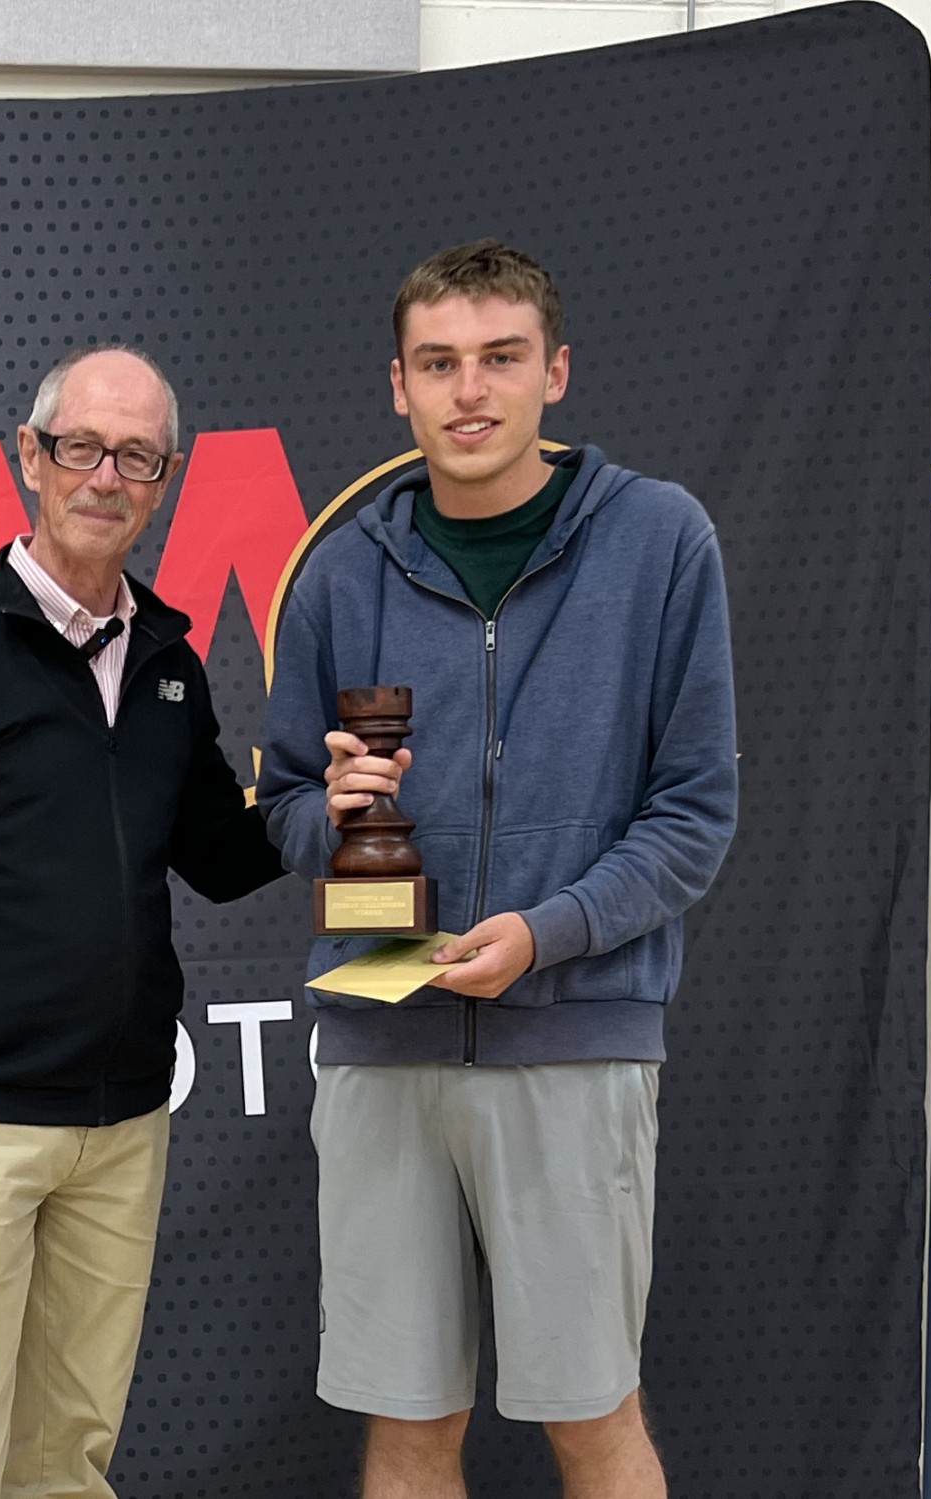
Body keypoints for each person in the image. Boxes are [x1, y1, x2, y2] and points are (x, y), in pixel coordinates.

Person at [258, 240, 738, 1498]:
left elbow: (692, 813)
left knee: (593, 1415)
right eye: (438, 363)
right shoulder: (340, 572)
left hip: (572, 1037)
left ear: (553, 372)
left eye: (499, 358)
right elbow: (285, 808)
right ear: (397, 387)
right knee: (407, 1424)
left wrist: (549, 931)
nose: (468, 391)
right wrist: (328, 812)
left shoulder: (658, 540)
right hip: (382, 1040)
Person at [0, 345, 286, 1499]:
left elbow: (220, 858)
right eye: (81, 447)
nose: (105, 477)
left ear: (164, 481)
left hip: (123, 1127)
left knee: (69, 1457)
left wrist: (334, 801)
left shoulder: (169, 662)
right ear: (30, 457)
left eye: (136, 456)